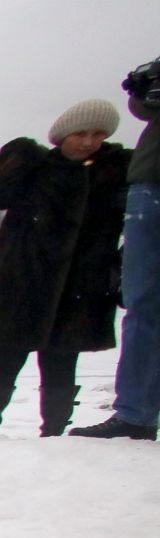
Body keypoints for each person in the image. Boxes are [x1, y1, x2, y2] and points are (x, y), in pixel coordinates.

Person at [0, 100, 131, 442]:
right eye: (80, 133)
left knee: (62, 365)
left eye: (98, 134)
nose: (88, 142)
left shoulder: (115, 170)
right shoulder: (35, 167)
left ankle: (52, 437)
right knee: (5, 360)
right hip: (21, 281)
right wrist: (16, 158)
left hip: (80, 286)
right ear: (62, 134)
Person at [74, 62, 160, 440]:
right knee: (142, 301)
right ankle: (135, 415)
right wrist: (143, 90)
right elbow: (144, 108)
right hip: (151, 183)